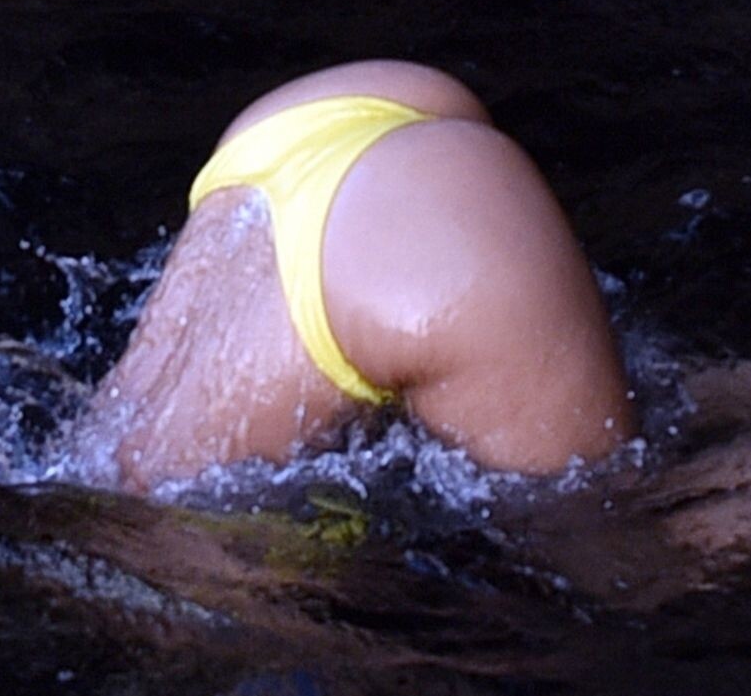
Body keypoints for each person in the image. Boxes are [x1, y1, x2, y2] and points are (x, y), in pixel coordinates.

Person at [76, 59, 637, 492]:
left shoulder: (148, 525)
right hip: (303, 132)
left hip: (394, 226)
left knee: (609, 532)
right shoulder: (105, 481)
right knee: (612, 505)